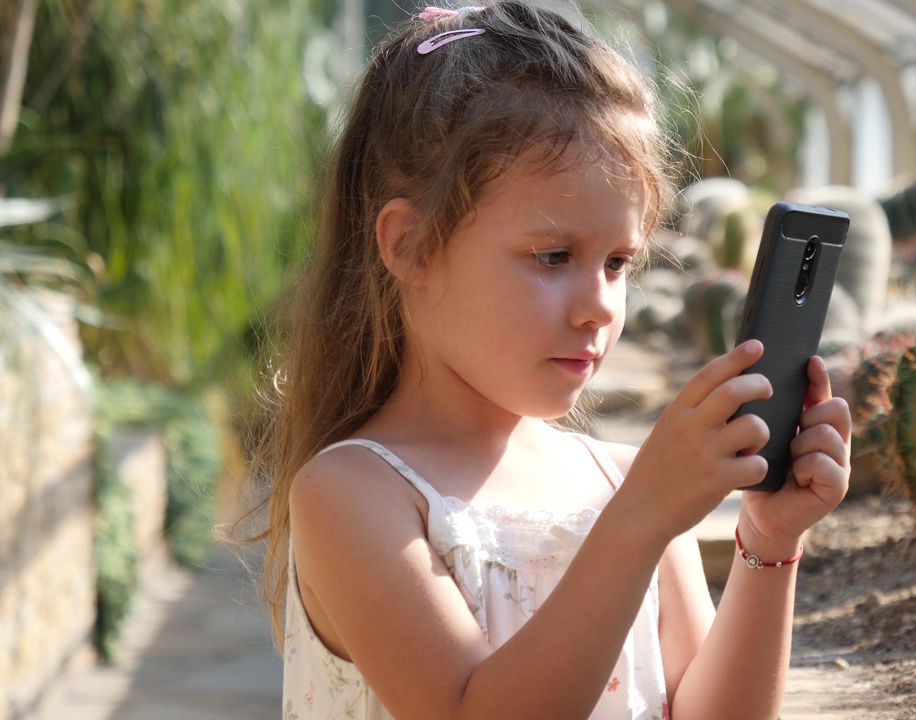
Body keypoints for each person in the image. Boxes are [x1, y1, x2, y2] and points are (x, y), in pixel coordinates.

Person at [249, 3, 852, 718]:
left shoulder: (622, 480)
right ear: (410, 246)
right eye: (554, 256)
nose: (598, 304)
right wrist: (639, 520)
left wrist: (768, 542)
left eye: (619, 261)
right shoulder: (353, 493)